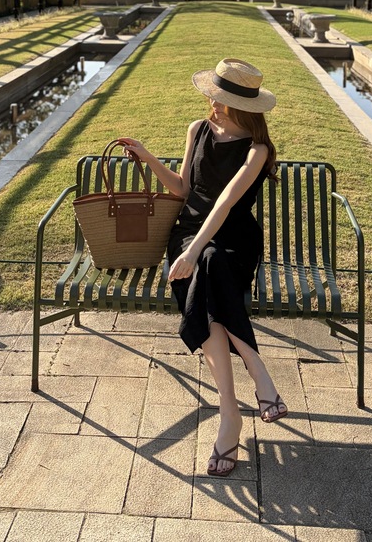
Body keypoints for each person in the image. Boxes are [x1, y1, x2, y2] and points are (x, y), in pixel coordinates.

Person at [119, 57, 287, 478]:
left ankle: (230, 413)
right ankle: (249, 384)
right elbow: (183, 189)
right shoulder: (197, 129)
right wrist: (148, 157)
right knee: (205, 273)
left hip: (233, 241)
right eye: (212, 98)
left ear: (241, 108)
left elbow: (226, 202)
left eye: (220, 101)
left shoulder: (257, 150)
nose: (211, 105)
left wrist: (193, 251)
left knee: (208, 263)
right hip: (188, 235)